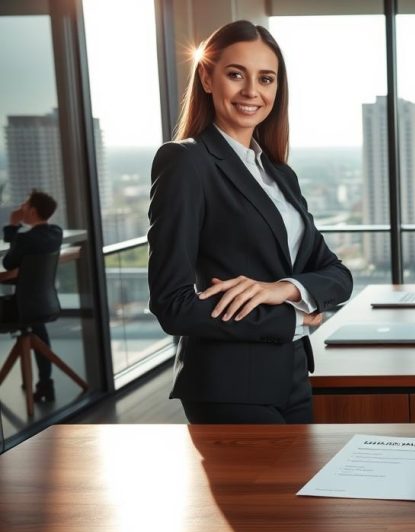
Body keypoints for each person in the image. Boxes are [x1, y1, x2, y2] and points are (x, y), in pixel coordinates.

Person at [148, 20, 352, 424]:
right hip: (229, 386)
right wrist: (293, 316)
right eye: (236, 74)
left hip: (292, 374)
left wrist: (282, 290)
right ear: (207, 77)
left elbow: (338, 275)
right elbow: (172, 305)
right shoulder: (186, 162)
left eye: (266, 79)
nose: (251, 92)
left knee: (298, 488)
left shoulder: (279, 174)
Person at [0, 190, 63, 403]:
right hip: (43, 303)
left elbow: (8, 263)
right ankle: (46, 383)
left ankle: (43, 383)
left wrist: (12, 224)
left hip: (22, 307)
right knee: (36, 325)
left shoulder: (25, 239)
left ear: (33, 211)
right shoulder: (56, 232)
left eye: (25, 205)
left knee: (24, 315)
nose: (20, 207)